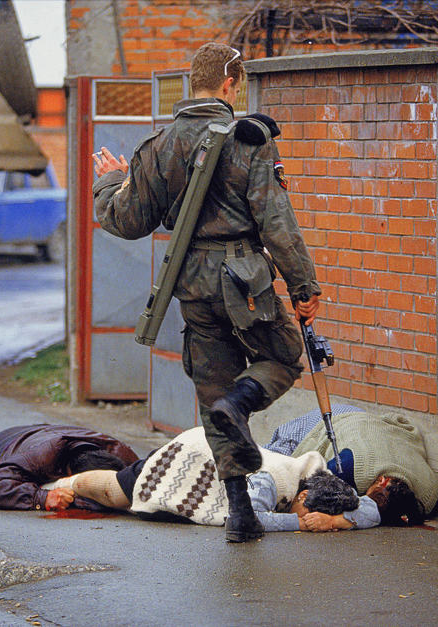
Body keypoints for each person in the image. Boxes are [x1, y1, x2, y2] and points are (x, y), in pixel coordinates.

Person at [91, 42, 322, 543]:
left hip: (190, 280)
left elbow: (125, 221)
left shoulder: (157, 147)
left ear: (190, 84)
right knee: (282, 357)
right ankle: (240, 404)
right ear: (230, 85)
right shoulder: (249, 139)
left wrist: (110, 181)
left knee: (213, 388)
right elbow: (277, 224)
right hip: (246, 278)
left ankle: (240, 514)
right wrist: (304, 285)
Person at [58, 425, 382, 533]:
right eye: (309, 513)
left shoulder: (329, 486)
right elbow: (247, 519)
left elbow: (371, 509)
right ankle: (56, 483)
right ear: (301, 499)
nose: (312, 520)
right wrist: (300, 524)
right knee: (111, 492)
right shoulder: (273, 482)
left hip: (222, 455)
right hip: (194, 457)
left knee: (116, 495)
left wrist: (336, 522)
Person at [265, 406, 436, 525]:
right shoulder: (346, 469)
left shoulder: (428, 495)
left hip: (371, 420)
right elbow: (304, 482)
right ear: (381, 480)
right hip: (335, 419)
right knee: (278, 451)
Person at [0, 423, 138, 511]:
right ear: (68, 474)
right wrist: (42, 498)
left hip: (43, 433)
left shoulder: (120, 453)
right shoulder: (36, 458)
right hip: (5, 447)